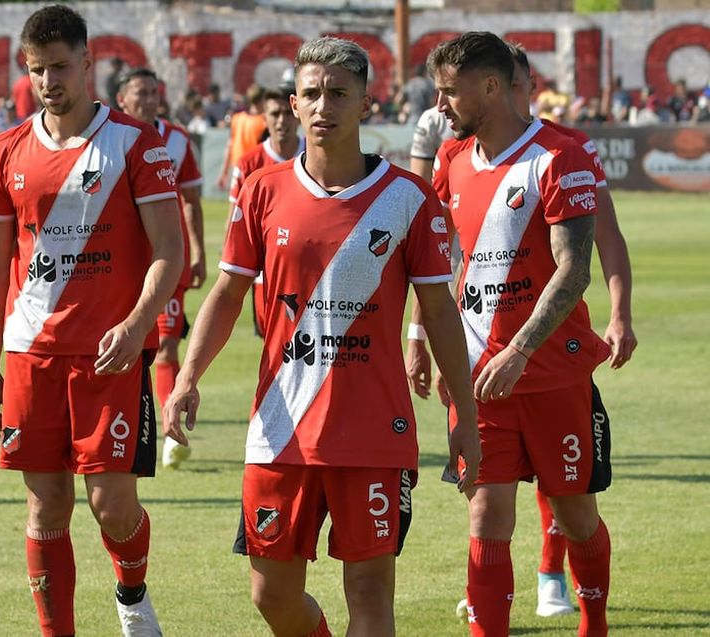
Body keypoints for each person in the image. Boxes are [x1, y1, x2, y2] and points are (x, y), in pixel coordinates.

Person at [164, 36, 480, 637]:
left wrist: (462, 414)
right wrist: (186, 378)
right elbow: (228, 294)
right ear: (292, 103)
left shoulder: (408, 198)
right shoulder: (262, 191)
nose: (323, 106)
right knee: (271, 595)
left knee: (369, 592)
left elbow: (440, 312)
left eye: (339, 93)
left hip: (373, 428)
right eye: (311, 94)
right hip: (281, 425)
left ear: (365, 104)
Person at [0, 5, 183, 636]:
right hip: (30, 355)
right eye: (37, 69)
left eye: (60, 66)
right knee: (46, 507)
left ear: (88, 62)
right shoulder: (3, 150)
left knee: (112, 507)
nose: (48, 81)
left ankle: (132, 594)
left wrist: (137, 323)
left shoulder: (135, 144)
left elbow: (171, 251)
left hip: (108, 357)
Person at [412, 41, 637, 622]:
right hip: (478, 377)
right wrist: (420, 337)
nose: (439, 104)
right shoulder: (451, 160)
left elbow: (574, 268)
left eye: (450, 91)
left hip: (553, 374)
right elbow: (437, 261)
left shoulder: (559, 155)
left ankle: (593, 624)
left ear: (491, 88)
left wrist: (519, 349)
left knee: (575, 516)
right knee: (487, 517)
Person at [115, 67, 206, 470]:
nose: (150, 100)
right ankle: (124, 420)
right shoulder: (109, 137)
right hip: (120, 263)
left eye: (154, 92)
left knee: (167, 344)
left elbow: (190, 201)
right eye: (141, 93)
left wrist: (199, 249)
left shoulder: (178, 140)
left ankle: (170, 431)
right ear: (122, 99)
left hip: (168, 258)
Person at [227, 86, 304, 337]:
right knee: (274, 345)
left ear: (298, 112)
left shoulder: (318, 156)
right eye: (274, 114)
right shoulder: (249, 163)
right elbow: (235, 222)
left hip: (312, 268)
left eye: (287, 113)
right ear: (265, 117)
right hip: (265, 274)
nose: (281, 121)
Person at [215, 84, 267, 190]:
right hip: (255, 169)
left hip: (237, 169)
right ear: (262, 100)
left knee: (236, 204)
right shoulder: (264, 122)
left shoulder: (237, 118)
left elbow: (229, 146)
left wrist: (223, 173)